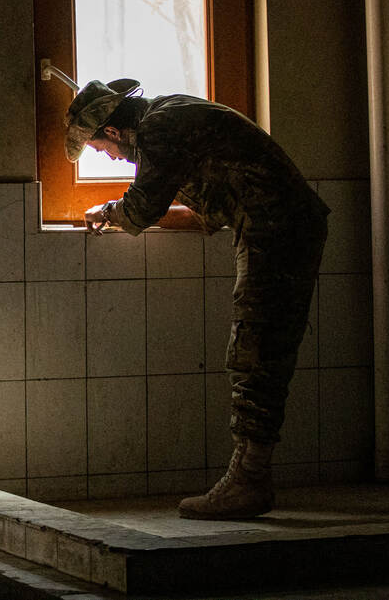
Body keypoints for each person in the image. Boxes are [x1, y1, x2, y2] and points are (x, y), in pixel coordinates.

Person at [64, 78, 328, 520]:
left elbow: (142, 207)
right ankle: (250, 477)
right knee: (259, 348)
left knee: (255, 351)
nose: (108, 157)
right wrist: (122, 213)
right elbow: (202, 214)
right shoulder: (169, 116)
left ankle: (248, 481)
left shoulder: (159, 129)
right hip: (278, 223)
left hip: (276, 228)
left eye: (100, 148)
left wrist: (108, 212)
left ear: (112, 131)